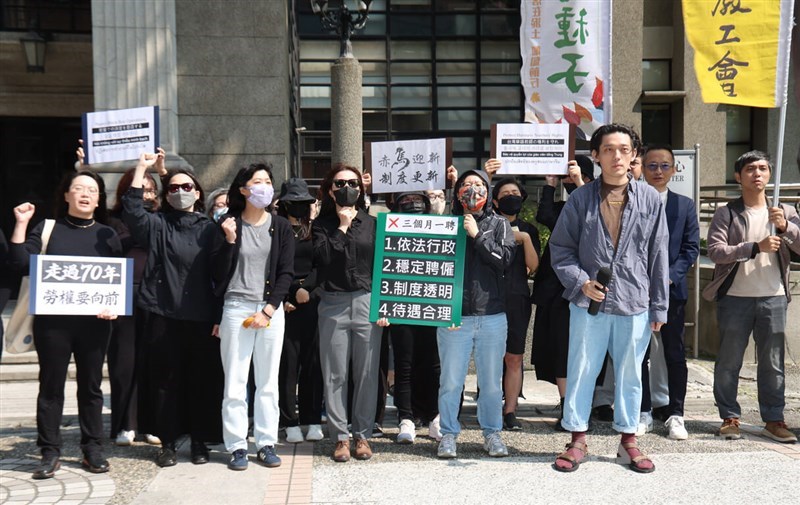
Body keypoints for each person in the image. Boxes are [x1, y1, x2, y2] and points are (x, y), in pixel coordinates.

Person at [548, 123, 668, 474]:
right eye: (608, 149)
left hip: (635, 300)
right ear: (597, 156)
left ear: (633, 156)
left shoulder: (649, 198)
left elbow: (658, 254)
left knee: (631, 372)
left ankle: (628, 440)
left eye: (623, 149)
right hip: (589, 303)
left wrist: (659, 304)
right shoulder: (581, 198)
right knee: (582, 368)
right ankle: (577, 437)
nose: (617, 156)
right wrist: (580, 282)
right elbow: (560, 249)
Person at [10, 171, 122, 479]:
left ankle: (93, 448)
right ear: (66, 195)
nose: (85, 194)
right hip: (53, 325)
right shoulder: (48, 229)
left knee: (91, 388)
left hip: (95, 325)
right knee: (51, 387)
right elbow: (20, 264)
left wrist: (114, 307)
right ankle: (49, 451)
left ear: (99, 199)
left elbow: (117, 281)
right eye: (78, 188)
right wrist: (20, 224)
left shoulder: (107, 234)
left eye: (92, 190)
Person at [123, 153, 224, 467]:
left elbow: (222, 274)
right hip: (164, 314)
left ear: (197, 193)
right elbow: (132, 210)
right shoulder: (158, 224)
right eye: (174, 187)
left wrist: (219, 316)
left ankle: (198, 441)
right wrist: (143, 168)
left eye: (187, 186)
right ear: (166, 195)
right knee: (165, 382)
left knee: (200, 382)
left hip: (202, 318)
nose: (181, 191)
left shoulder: (211, 228)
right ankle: (168, 442)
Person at [703, 150, 800, 444]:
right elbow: (715, 251)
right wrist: (753, 247)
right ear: (738, 176)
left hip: (774, 297)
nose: (757, 174)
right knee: (729, 361)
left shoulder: (784, 211)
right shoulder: (728, 213)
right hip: (735, 297)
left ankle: (774, 419)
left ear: (770, 174)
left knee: (773, 363)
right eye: (749, 169)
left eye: (762, 169)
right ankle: (729, 417)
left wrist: (786, 227)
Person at [212, 163, 295, 470]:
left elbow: (286, 272)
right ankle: (235, 446)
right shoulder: (228, 223)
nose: (264, 187)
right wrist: (229, 242)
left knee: (267, 381)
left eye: (268, 182)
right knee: (235, 381)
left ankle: (266, 442)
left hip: (269, 310)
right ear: (243, 190)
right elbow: (217, 274)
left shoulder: (281, 226)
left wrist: (269, 310)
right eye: (257, 182)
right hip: (235, 308)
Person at [436, 167, 516, 459]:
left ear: (489, 191)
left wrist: (477, 234)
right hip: (454, 315)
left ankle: (492, 433)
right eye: (466, 184)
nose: (472, 190)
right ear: (457, 193)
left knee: (491, 383)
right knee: (451, 381)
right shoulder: (447, 224)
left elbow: (504, 260)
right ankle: (448, 434)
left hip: (492, 315)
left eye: (478, 184)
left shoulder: (499, 224)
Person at [312, 164, 381, 462]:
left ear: (361, 188)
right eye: (340, 183)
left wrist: (385, 304)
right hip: (332, 302)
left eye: (353, 183)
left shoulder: (373, 223)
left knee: (366, 372)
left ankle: (362, 434)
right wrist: (340, 227)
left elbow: (384, 266)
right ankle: (340, 436)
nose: (347, 188)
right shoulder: (321, 225)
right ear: (330, 189)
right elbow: (323, 259)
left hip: (367, 301)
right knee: (335, 373)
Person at [639, 144, 700, 440]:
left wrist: (667, 279)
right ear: (641, 169)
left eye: (664, 166)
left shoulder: (684, 205)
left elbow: (691, 248)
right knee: (638, 355)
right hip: (635, 292)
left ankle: (676, 414)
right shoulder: (629, 200)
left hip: (672, 293)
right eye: (652, 165)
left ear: (674, 170)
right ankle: (643, 412)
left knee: (675, 354)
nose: (658, 171)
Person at [531, 155, 594, 430]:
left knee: (582, 348)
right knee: (559, 345)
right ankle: (567, 402)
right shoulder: (562, 209)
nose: (569, 182)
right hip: (555, 287)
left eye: (576, 177)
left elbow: (592, 219)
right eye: (566, 177)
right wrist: (550, 183)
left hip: (587, 286)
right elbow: (544, 215)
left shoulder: (598, 205)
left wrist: (580, 181)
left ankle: (585, 403)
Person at [106, 165, 163, 447]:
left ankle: (152, 424)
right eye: (141, 187)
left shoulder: (161, 219)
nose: (147, 193)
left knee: (153, 361)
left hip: (155, 296)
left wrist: (162, 171)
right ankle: (125, 424)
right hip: (122, 297)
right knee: (123, 363)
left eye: (151, 188)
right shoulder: (113, 220)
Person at [383, 191, 442, 444]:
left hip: (432, 305)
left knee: (433, 365)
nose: (412, 206)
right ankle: (405, 418)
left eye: (417, 202)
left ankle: (434, 416)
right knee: (403, 365)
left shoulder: (439, 229)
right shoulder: (387, 230)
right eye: (405, 202)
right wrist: (383, 306)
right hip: (400, 306)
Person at [276, 178, 325, 444]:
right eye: (293, 203)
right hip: (284, 304)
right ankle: (289, 420)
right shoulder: (276, 229)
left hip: (313, 302)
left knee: (313, 365)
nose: (299, 207)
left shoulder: (314, 230)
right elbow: (273, 266)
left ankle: (312, 418)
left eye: (303, 203)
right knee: (288, 366)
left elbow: (322, 264)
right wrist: (289, 293)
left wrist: (308, 289)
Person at [490, 177, 540, 431]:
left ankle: (510, 410)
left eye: (515, 193)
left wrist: (525, 240)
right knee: (488, 357)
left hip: (517, 298)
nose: (511, 196)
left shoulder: (528, 229)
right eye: (505, 193)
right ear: (495, 201)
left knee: (514, 357)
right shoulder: (486, 225)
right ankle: (487, 406)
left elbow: (533, 267)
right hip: (487, 298)